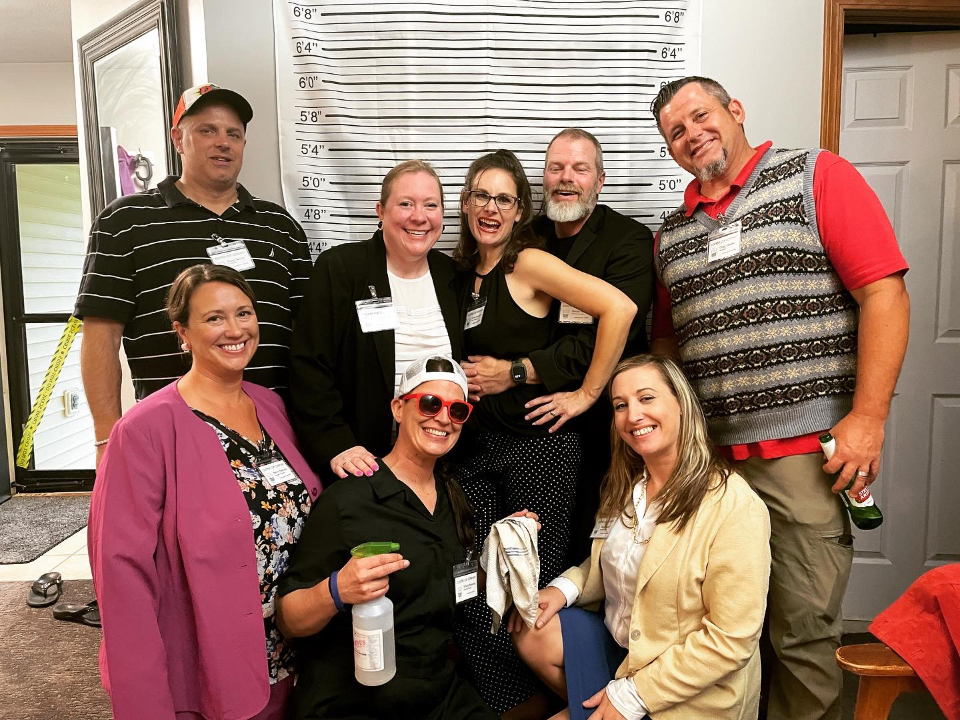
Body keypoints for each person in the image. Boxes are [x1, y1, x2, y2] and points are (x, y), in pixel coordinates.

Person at [649, 76, 911, 720]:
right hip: (712, 468)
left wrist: (869, 416)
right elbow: (667, 348)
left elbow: (885, 293)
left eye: (701, 116)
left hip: (804, 459)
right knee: (722, 629)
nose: (692, 134)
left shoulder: (813, 176)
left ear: (735, 111)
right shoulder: (670, 235)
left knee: (801, 632)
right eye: (675, 132)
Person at [88, 264, 322, 720]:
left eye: (244, 313)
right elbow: (121, 577)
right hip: (209, 672)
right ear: (183, 333)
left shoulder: (270, 405)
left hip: (291, 661)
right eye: (214, 318)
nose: (235, 330)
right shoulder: (144, 430)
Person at [451, 149, 637, 717]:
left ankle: (576, 705)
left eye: (504, 199)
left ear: (518, 211)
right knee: (475, 586)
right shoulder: (460, 274)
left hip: (539, 449)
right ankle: (515, 702)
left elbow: (620, 308)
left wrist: (585, 395)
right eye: (481, 195)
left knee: (530, 588)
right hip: (476, 449)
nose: (491, 208)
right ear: (465, 204)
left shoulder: (526, 262)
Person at [512, 354, 771, 720]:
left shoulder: (734, 505)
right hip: (624, 652)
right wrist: (563, 588)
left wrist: (635, 695)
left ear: (681, 404)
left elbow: (732, 640)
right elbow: (611, 561)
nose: (633, 415)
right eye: (621, 405)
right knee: (532, 626)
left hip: (689, 688)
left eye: (647, 398)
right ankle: (599, 703)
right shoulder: (625, 487)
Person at [277, 355, 532, 719]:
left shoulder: (453, 497)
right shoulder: (350, 499)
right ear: (399, 408)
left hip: (435, 690)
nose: (443, 418)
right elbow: (288, 619)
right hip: (356, 699)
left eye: (457, 410)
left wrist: (502, 550)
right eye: (430, 404)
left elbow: (449, 583)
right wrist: (337, 589)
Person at [75, 83, 313, 466]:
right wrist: (107, 438)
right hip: (170, 439)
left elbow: (309, 335)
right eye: (207, 130)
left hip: (275, 433)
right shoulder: (125, 223)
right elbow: (101, 334)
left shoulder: (279, 227)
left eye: (233, 134)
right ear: (178, 139)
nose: (222, 143)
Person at [462, 129, 655, 563]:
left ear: (600, 180)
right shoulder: (524, 236)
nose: (566, 178)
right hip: (526, 425)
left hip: (600, 420)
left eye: (580, 169)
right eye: (556, 168)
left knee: (591, 551)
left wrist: (520, 372)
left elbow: (612, 326)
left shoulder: (628, 241)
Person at [289, 160, 463, 481]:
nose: (419, 217)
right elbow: (308, 368)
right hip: (364, 465)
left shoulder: (452, 276)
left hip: (441, 468)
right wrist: (337, 444)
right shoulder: (341, 269)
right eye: (405, 204)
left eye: (431, 205)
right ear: (380, 211)